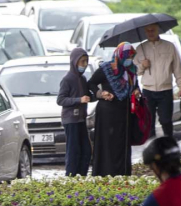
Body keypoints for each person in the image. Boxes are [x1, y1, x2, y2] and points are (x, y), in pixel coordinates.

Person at [87, 42, 137, 176]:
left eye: (131, 57)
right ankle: (105, 173)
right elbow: (91, 83)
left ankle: (123, 173)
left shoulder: (132, 70)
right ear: (120, 55)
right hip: (107, 113)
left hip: (124, 114)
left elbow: (134, 87)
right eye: (127, 57)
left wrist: (136, 91)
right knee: (108, 145)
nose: (129, 60)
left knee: (122, 145)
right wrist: (101, 94)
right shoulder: (106, 69)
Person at [135, 24, 181, 139]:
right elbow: (135, 71)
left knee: (166, 120)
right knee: (149, 121)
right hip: (148, 90)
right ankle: (151, 146)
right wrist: (142, 65)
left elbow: (177, 69)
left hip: (165, 89)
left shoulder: (169, 46)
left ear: (158, 31)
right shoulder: (140, 48)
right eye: (148, 31)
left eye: (153, 30)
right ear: (145, 32)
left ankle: (168, 142)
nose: (151, 32)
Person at [56, 47, 93, 176]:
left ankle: (81, 176)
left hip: (81, 119)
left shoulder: (82, 79)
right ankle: (71, 176)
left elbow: (87, 96)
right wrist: (78, 100)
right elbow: (60, 100)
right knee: (73, 150)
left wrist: (100, 95)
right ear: (74, 61)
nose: (84, 64)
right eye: (82, 61)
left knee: (86, 150)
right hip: (71, 120)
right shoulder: (67, 79)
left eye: (86, 61)